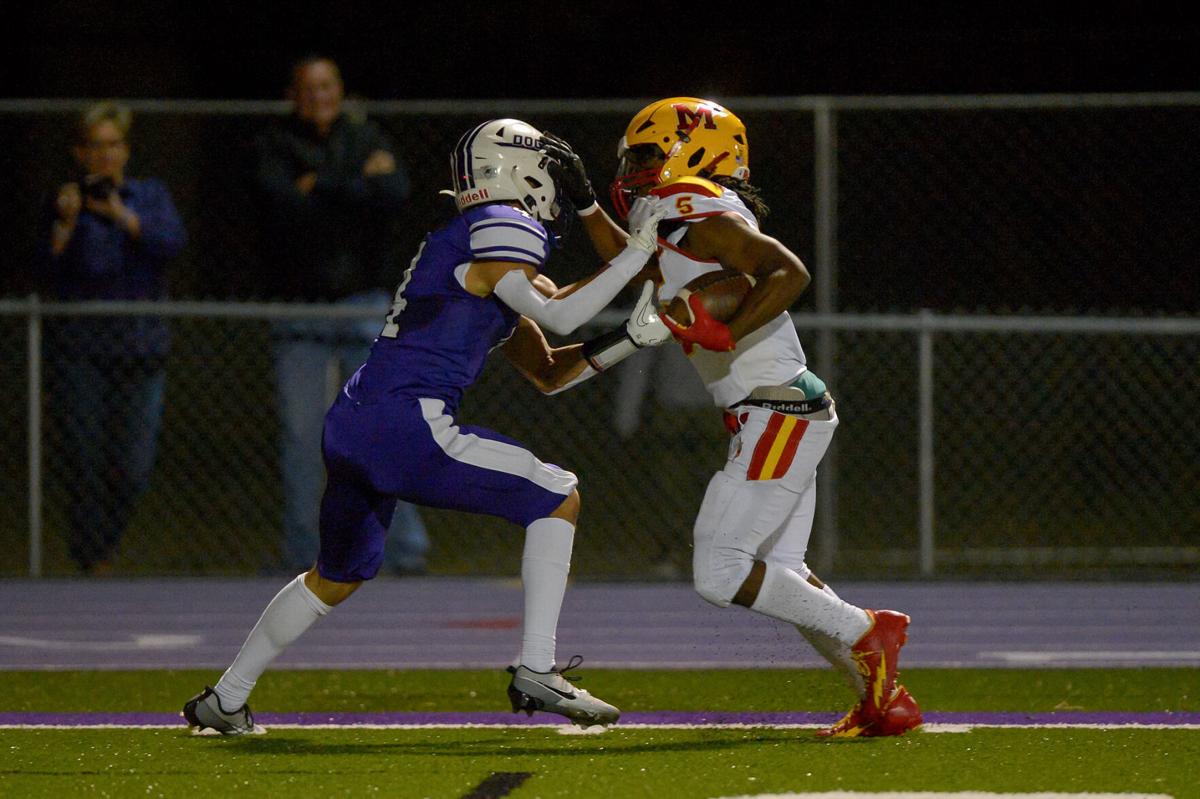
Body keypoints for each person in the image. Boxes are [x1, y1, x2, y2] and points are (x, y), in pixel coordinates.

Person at [183, 118, 671, 734]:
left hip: (358, 420)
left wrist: (629, 338)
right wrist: (636, 251)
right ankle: (537, 669)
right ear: (520, 170)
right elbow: (564, 313)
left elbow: (550, 369)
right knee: (558, 495)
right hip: (406, 422)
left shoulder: (476, 251)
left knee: (334, 576)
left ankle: (224, 698)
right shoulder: (504, 226)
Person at [542, 97, 923, 738]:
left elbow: (786, 270)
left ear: (694, 150)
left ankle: (867, 630)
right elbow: (636, 266)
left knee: (720, 573)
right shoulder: (672, 215)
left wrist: (727, 333)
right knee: (787, 577)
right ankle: (885, 700)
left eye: (646, 155)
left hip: (775, 410)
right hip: (781, 407)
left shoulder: (694, 203)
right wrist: (584, 203)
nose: (634, 169)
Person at [252, 55, 430, 575]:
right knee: (304, 439)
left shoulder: (366, 136)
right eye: (308, 88)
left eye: (327, 86)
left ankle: (404, 551)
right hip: (299, 307)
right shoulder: (273, 145)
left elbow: (395, 193)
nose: (319, 96)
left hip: (363, 302)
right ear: (294, 94)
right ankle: (307, 553)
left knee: (382, 427)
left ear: (341, 90)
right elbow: (281, 205)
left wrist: (322, 184)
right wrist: (356, 185)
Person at [41, 101, 186, 574]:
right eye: (96, 146)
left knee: (134, 467)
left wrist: (124, 216)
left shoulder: (149, 196)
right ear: (80, 153)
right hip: (82, 350)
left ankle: (99, 547)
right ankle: (91, 561)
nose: (106, 155)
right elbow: (49, 273)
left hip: (141, 348)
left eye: (115, 145)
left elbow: (171, 244)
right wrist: (64, 226)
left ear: (126, 150)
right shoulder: (65, 202)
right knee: (84, 462)